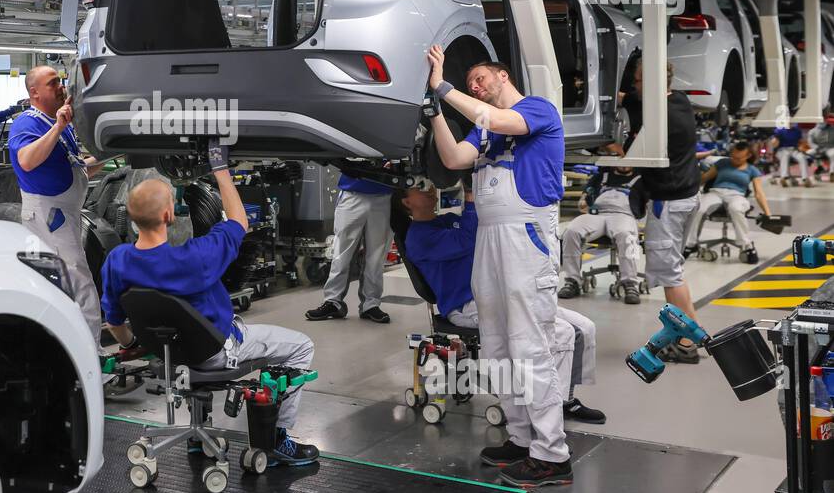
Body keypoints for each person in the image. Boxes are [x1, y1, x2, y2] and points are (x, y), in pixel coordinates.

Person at [101, 142, 320, 466]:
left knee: (188, 339)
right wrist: (221, 171)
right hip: (218, 353)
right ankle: (276, 441)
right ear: (168, 215)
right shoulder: (195, 257)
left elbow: (114, 320)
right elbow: (239, 222)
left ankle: (196, 434)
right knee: (301, 346)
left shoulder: (117, 261)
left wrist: (135, 344)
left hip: (168, 356)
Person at [425, 46, 573, 487]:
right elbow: (452, 160)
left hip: (525, 237)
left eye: (480, 79)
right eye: (469, 83)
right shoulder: (486, 134)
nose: (475, 86)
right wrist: (434, 109)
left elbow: (498, 119)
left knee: (530, 345)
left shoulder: (536, 110)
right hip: (490, 239)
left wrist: (444, 87)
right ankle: (521, 437)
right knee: (496, 347)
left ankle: (552, 455)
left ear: (502, 75)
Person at [400, 181, 604, 425]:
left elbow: (477, 231)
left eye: (427, 184)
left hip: (497, 295)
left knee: (584, 328)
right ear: (406, 202)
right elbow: (469, 236)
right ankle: (549, 410)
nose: (429, 189)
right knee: (561, 332)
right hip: (467, 306)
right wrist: (471, 195)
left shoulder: (444, 221)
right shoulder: (418, 238)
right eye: (418, 189)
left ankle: (565, 400)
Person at [606, 59, 702, 365]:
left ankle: (686, 343)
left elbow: (627, 163)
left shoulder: (662, 121)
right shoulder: (680, 100)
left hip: (669, 204)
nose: (633, 89)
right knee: (674, 269)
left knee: (669, 274)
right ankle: (691, 335)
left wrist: (613, 149)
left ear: (650, 82)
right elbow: (635, 99)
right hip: (687, 197)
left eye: (636, 83)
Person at [9, 66, 103, 339]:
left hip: (64, 214)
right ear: (34, 92)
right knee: (79, 282)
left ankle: (70, 346)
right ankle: (91, 354)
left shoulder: (56, 123)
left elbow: (76, 167)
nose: (62, 87)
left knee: (67, 282)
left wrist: (113, 152)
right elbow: (26, 160)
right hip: (50, 216)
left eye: (61, 81)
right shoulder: (28, 122)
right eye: (53, 84)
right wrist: (60, 126)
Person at [305, 169, 394, 324]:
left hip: (384, 194)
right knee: (341, 254)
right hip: (352, 192)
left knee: (376, 256)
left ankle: (370, 304)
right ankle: (333, 301)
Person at [558, 166, 643, 304]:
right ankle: (572, 281)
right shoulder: (601, 174)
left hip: (624, 215)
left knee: (626, 235)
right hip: (597, 214)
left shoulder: (642, 177)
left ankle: (630, 284)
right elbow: (583, 202)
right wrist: (584, 202)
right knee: (571, 231)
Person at [684, 140, 773, 265]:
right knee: (700, 208)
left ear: (748, 156)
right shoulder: (723, 163)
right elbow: (704, 179)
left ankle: (747, 246)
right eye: (733, 156)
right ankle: (690, 244)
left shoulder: (752, 170)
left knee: (736, 208)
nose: (734, 159)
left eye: (738, 158)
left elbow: (759, 193)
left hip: (737, 195)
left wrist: (768, 213)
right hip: (715, 192)